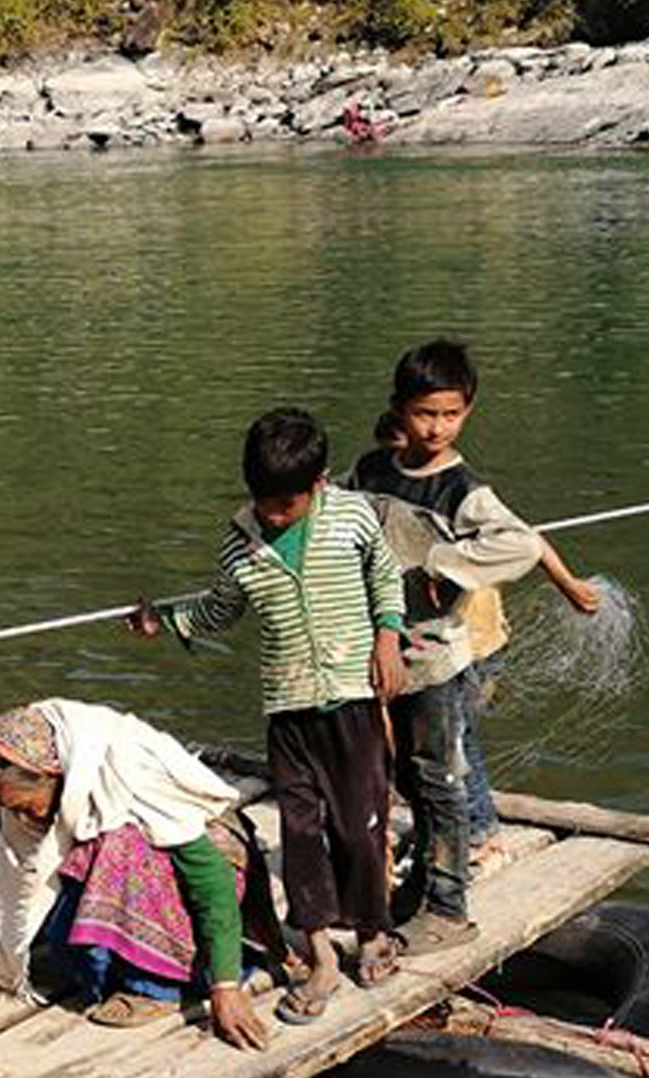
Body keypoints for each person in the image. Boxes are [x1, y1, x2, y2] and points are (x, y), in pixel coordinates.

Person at [129, 407, 406, 1018]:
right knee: (301, 833)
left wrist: (389, 636)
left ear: (320, 483)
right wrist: (165, 620)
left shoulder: (353, 516)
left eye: (287, 506)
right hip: (288, 707)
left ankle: (372, 933)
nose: (273, 516)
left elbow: (385, 576)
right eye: (264, 504)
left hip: (353, 698)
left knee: (359, 828)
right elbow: (221, 610)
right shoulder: (239, 541)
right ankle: (321, 958)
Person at [348, 342, 592, 944]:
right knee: (405, 770)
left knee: (441, 775)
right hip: (384, 647)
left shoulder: (464, 490)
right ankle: (420, 885)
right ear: (398, 409)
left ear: (468, 412)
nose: (436, 427)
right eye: (425, 413)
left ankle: (448, 908)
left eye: (449, 415)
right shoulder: (374, 470)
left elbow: (521, 545)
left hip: (438, 654)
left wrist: (442, 560)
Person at [0, 701, 276, 1051]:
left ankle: (157, 988)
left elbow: (211, 879)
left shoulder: (127, 769)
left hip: (208, 857)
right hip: (129, 863)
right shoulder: (38, 776)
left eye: (27, 807)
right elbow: (12, 873)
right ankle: (125, 959)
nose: (25, 819)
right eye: (14, 811)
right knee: (73, 932)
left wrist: (226, 988)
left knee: (116, 847)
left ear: (55, 778)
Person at [362, 405, 603, 847]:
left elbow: (529, 540)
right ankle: (464, 820)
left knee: (454, 739)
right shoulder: (380, 484)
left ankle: (476, 826)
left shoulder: (460, 498)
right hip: (427, 641)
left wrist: (568, 584)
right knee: (450, 738)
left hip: (475, 642)